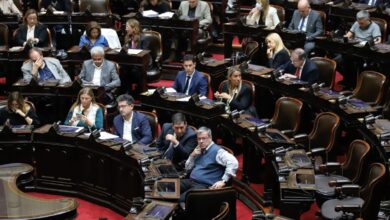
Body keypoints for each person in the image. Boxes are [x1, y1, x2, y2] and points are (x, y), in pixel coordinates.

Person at [180, 127, 238, 202]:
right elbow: (187, 168)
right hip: (191, 181)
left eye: (204, 138)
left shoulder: (217, 151)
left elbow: (233, 162)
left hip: (204, 186)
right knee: (171, 188)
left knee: (179, 199)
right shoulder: (198, 149)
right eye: (199, 139)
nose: (201, 141)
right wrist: (192, 155)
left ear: (210, 138)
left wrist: (223, 181)